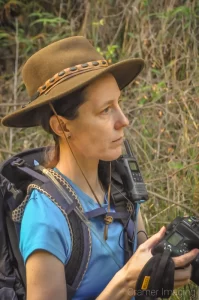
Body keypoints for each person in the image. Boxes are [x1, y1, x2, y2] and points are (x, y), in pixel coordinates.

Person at [2, 36, 199, 300]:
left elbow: (141, 266)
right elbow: (129, 280)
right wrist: (125, 283)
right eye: (106, 110)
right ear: (62, 126)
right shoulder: (46, 219)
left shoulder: (118, 183)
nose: (124, 121)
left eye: (119, 103)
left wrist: (161, 270)